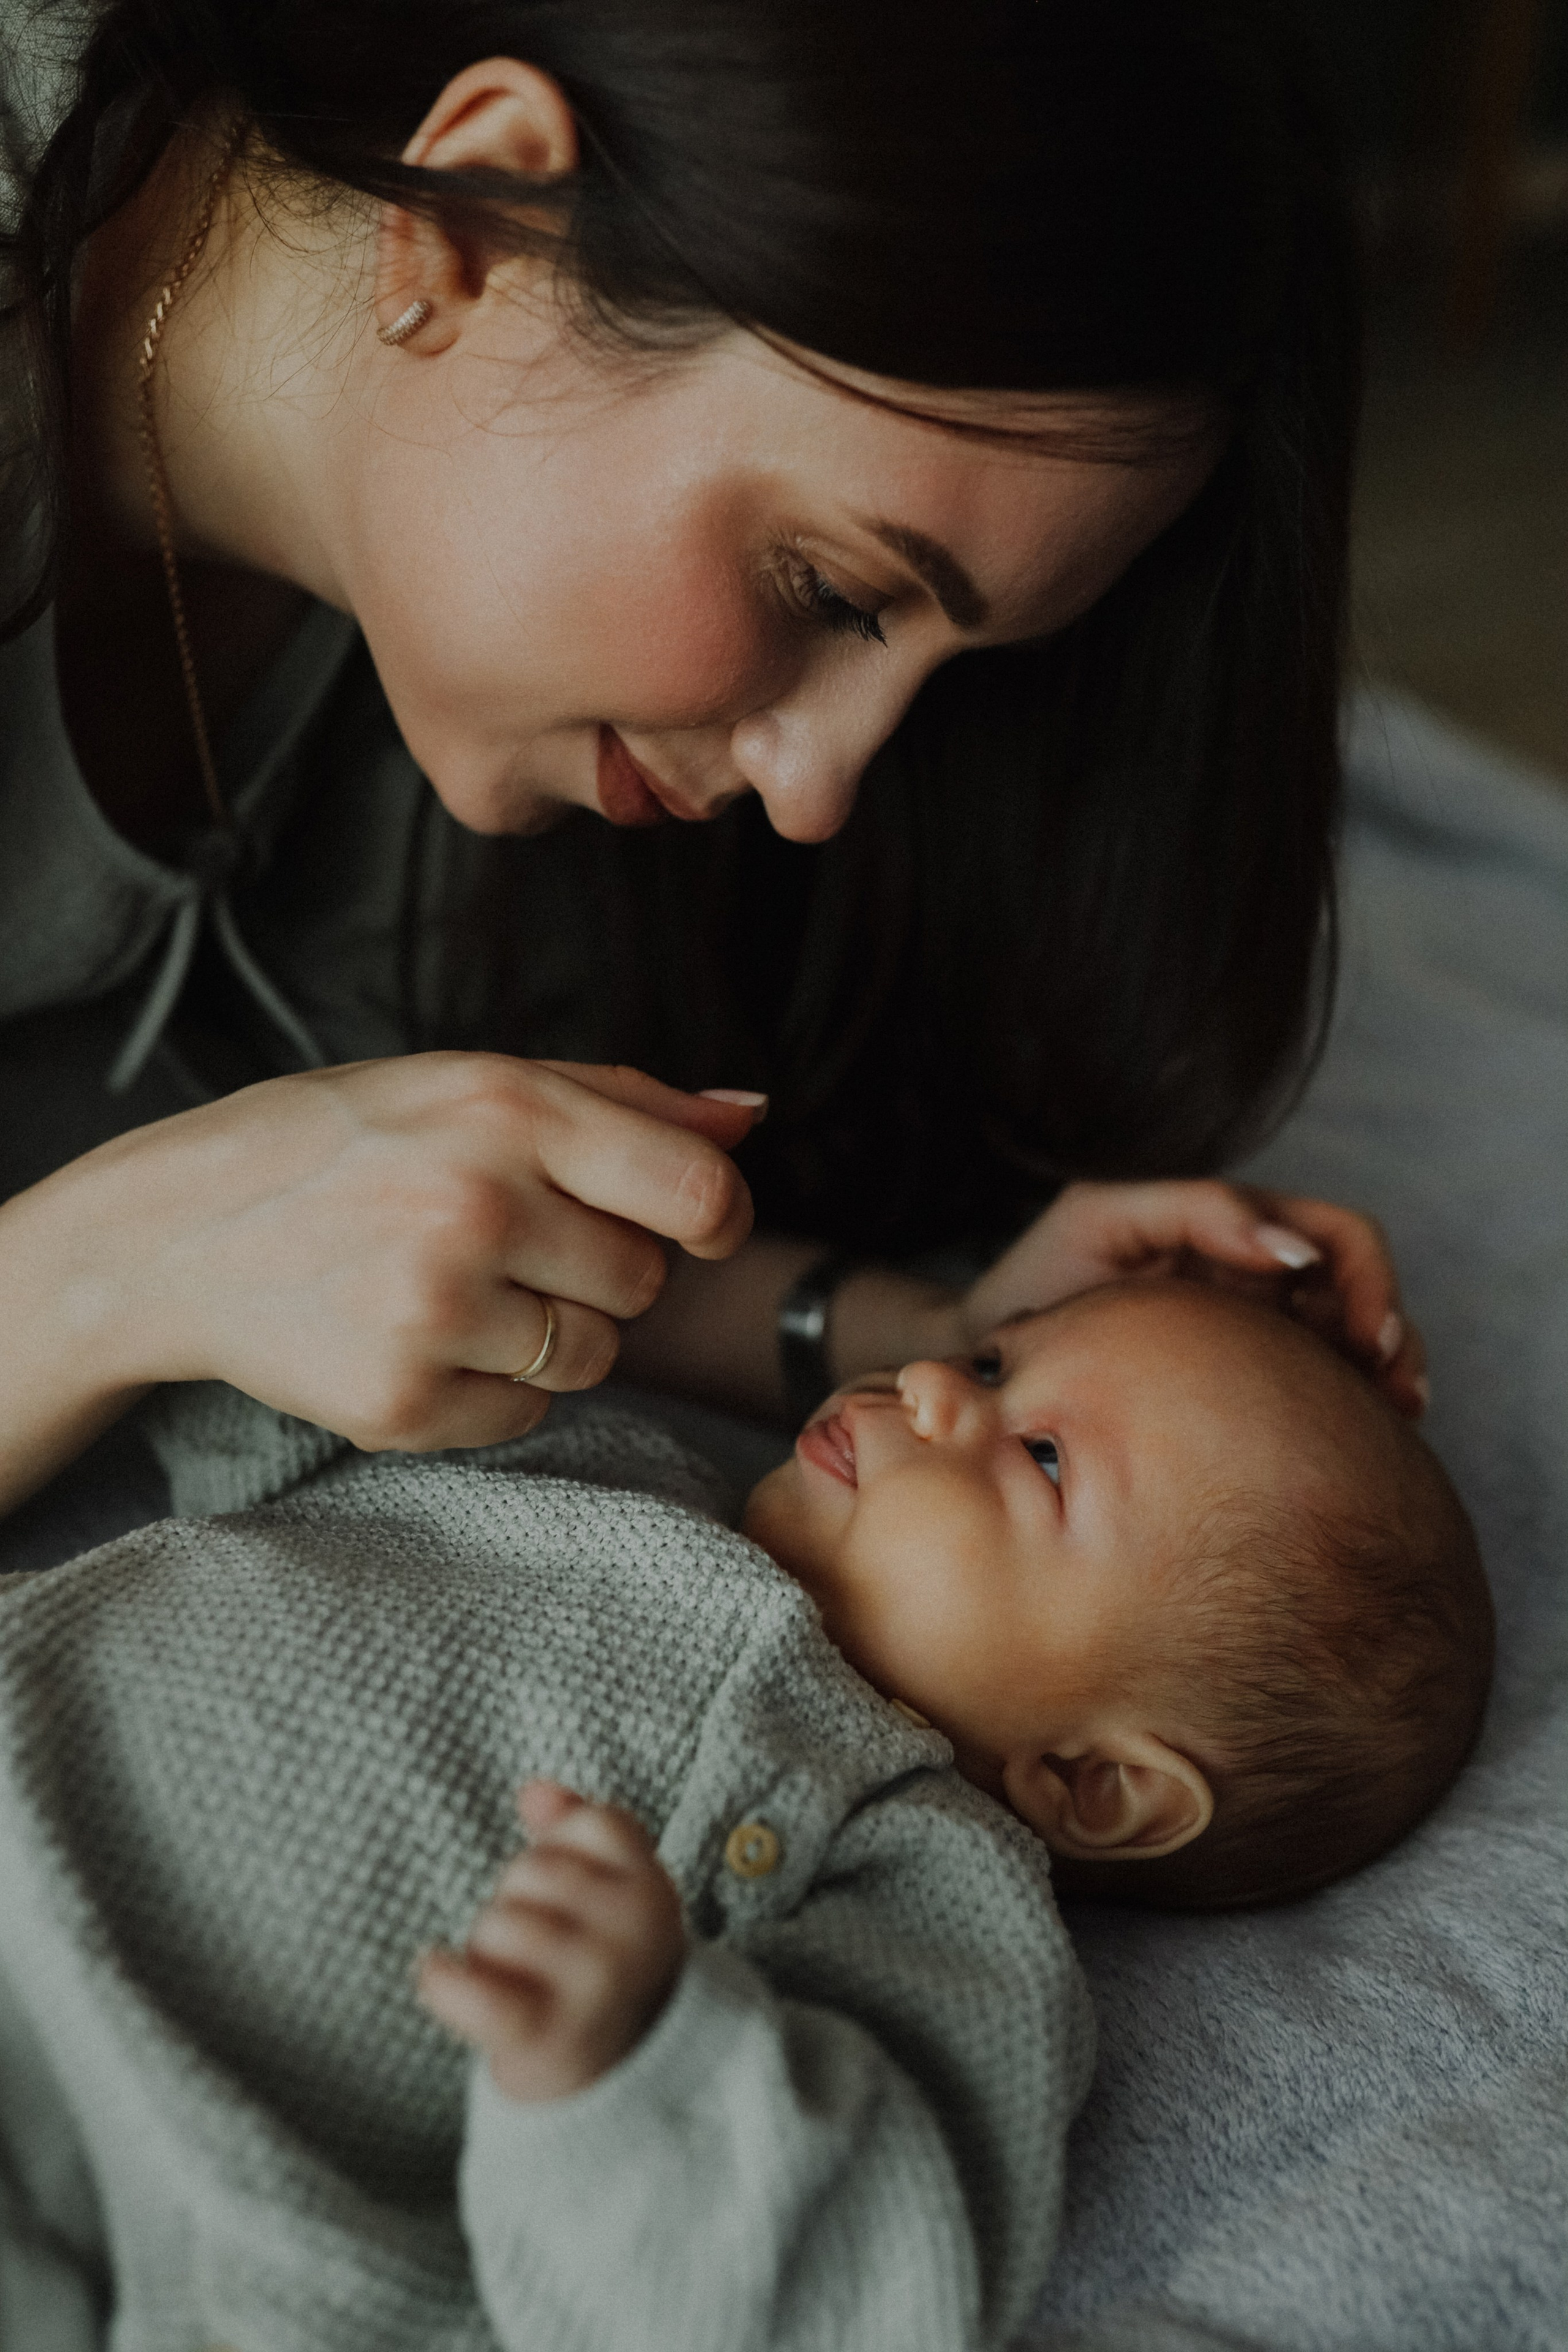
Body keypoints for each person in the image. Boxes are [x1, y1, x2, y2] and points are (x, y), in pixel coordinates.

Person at [0, 0, 1426, 1544]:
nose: (816, 793)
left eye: (952, 676)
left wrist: (939, 1341)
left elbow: (430, 1173)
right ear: (476, 218)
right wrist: (123, 1268)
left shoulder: (437, 622)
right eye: (825, 589)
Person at [0, 1278, 1487, 2350]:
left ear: (1092, 1783)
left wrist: (633, 2064)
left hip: (134, 2164)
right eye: (989, 1352)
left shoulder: (921, 1882)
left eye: (1038, 1455)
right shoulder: (601, 1458)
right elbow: (258, 1365)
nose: (936, 1390)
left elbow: (841, 2288)